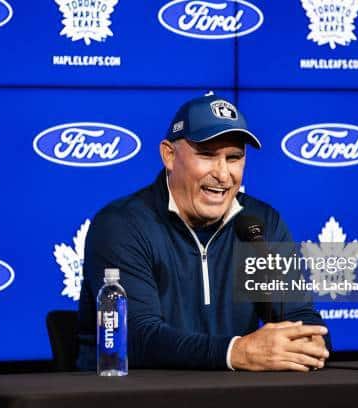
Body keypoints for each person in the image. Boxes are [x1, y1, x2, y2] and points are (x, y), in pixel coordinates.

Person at [77, 92, 330, 371]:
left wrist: (310, 341)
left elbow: (299, 316)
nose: (222, 174)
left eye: (233, 158)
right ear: (169, 155)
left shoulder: (261, 223)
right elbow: (136, 338)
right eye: (207, 155)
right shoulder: (122, 225)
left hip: (231, 395)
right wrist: (236, 352)